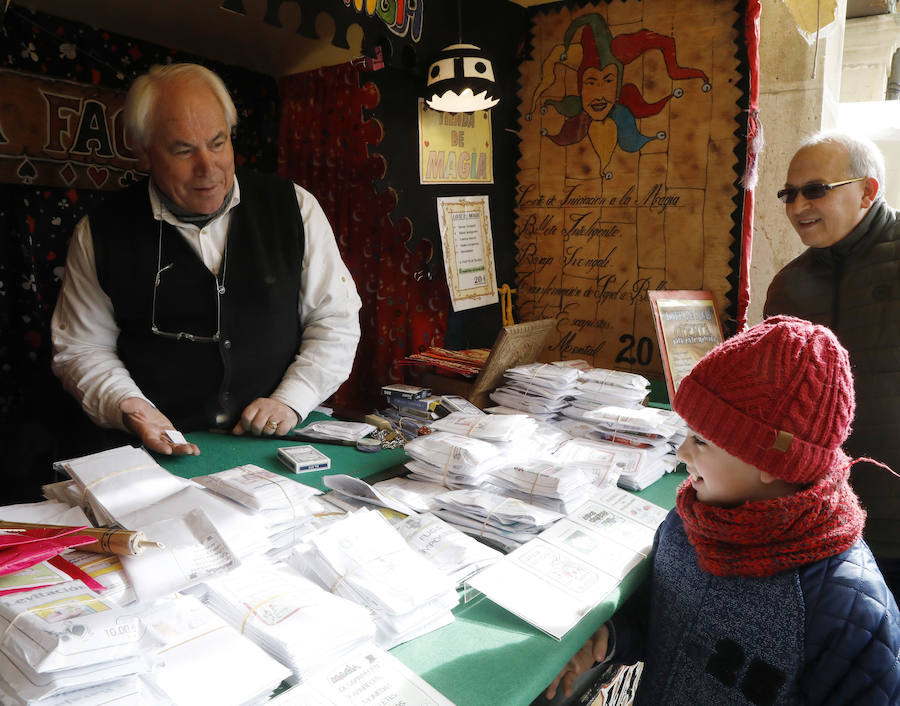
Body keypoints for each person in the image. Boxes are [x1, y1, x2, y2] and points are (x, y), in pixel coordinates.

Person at [544, 316, 900, 704]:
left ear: (769, 461)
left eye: (700, 440)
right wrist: (611, 638)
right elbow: (660, 621)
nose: (682, 453)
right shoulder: (687, 525)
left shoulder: (846, 604)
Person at [51, 63, 362, 456]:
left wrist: (291, 398)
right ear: (144, 154)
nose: (208, 167)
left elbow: (335, 319)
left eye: (218, 143)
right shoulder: (100, 231)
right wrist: (131, 408)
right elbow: (81, 348)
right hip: (155, 452)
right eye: (184, 150)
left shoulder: (295, 208)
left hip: (278, 443)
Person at [764, 130, 900, 598]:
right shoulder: (788, 286)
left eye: (816, 189)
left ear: (867, 191)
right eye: (789, 194)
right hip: (824, 519)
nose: (798, 206)